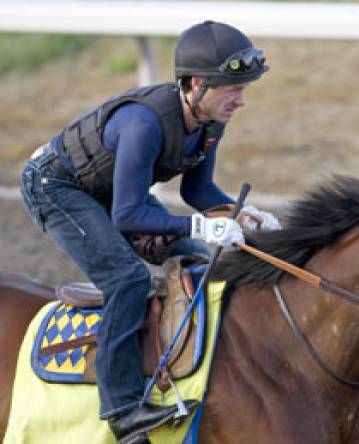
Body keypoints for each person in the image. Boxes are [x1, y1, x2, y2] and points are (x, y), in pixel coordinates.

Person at [19, 21, 280, 443]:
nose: (242, 99)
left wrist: (242, 213)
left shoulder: (210, 121)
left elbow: (199, 191)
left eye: (244, 88)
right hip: (57, 190)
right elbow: (127, 216)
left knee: (195, 258)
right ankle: (121, 408)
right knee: (128, 278)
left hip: (112, 192)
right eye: (233, 88)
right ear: (197, 84)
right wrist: (203, 223)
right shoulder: (144, 123)